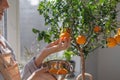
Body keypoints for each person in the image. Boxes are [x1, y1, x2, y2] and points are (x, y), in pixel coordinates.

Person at [0, 0, 71, 80]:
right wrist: (33, 78)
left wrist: (44, 53)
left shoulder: (2, 41)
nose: (6, 5)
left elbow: (18, 78)